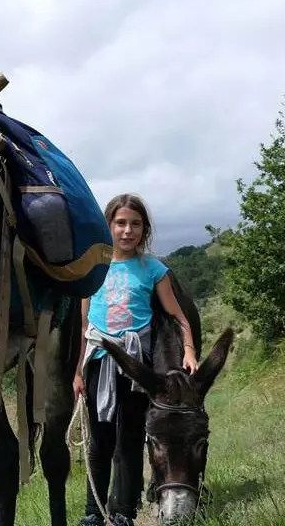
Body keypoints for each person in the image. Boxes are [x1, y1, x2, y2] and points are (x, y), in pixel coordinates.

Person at [73, 193, 198, 526]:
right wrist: (76, 373)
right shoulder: (94, 267)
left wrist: (189, 349)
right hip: (98, 358)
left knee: (128, 439)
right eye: (121, 223)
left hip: (135, 365)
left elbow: (177, 315)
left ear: (144, 230)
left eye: (135, 224)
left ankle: (124, 512)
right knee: (99, 440)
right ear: (109, 225)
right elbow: (83, 326)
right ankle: (93, 513)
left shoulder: (153, 269)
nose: (128, 231)